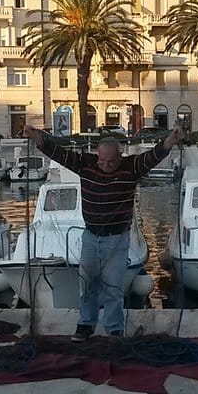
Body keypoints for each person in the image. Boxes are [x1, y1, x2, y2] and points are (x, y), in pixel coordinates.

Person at [23, 124, 184, 342]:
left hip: (117, 240)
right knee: (87, 285)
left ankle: (114, 328)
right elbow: (58, 153)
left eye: (111, 162)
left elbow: (153, 156)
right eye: (102, 160)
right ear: (96, 156)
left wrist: (171, 140)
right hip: (90, 237)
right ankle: (85, 325)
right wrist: (37, 137)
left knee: (113, 287)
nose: (105, 165)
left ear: (120, 157)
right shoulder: (85, 164)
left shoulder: (131, 167)